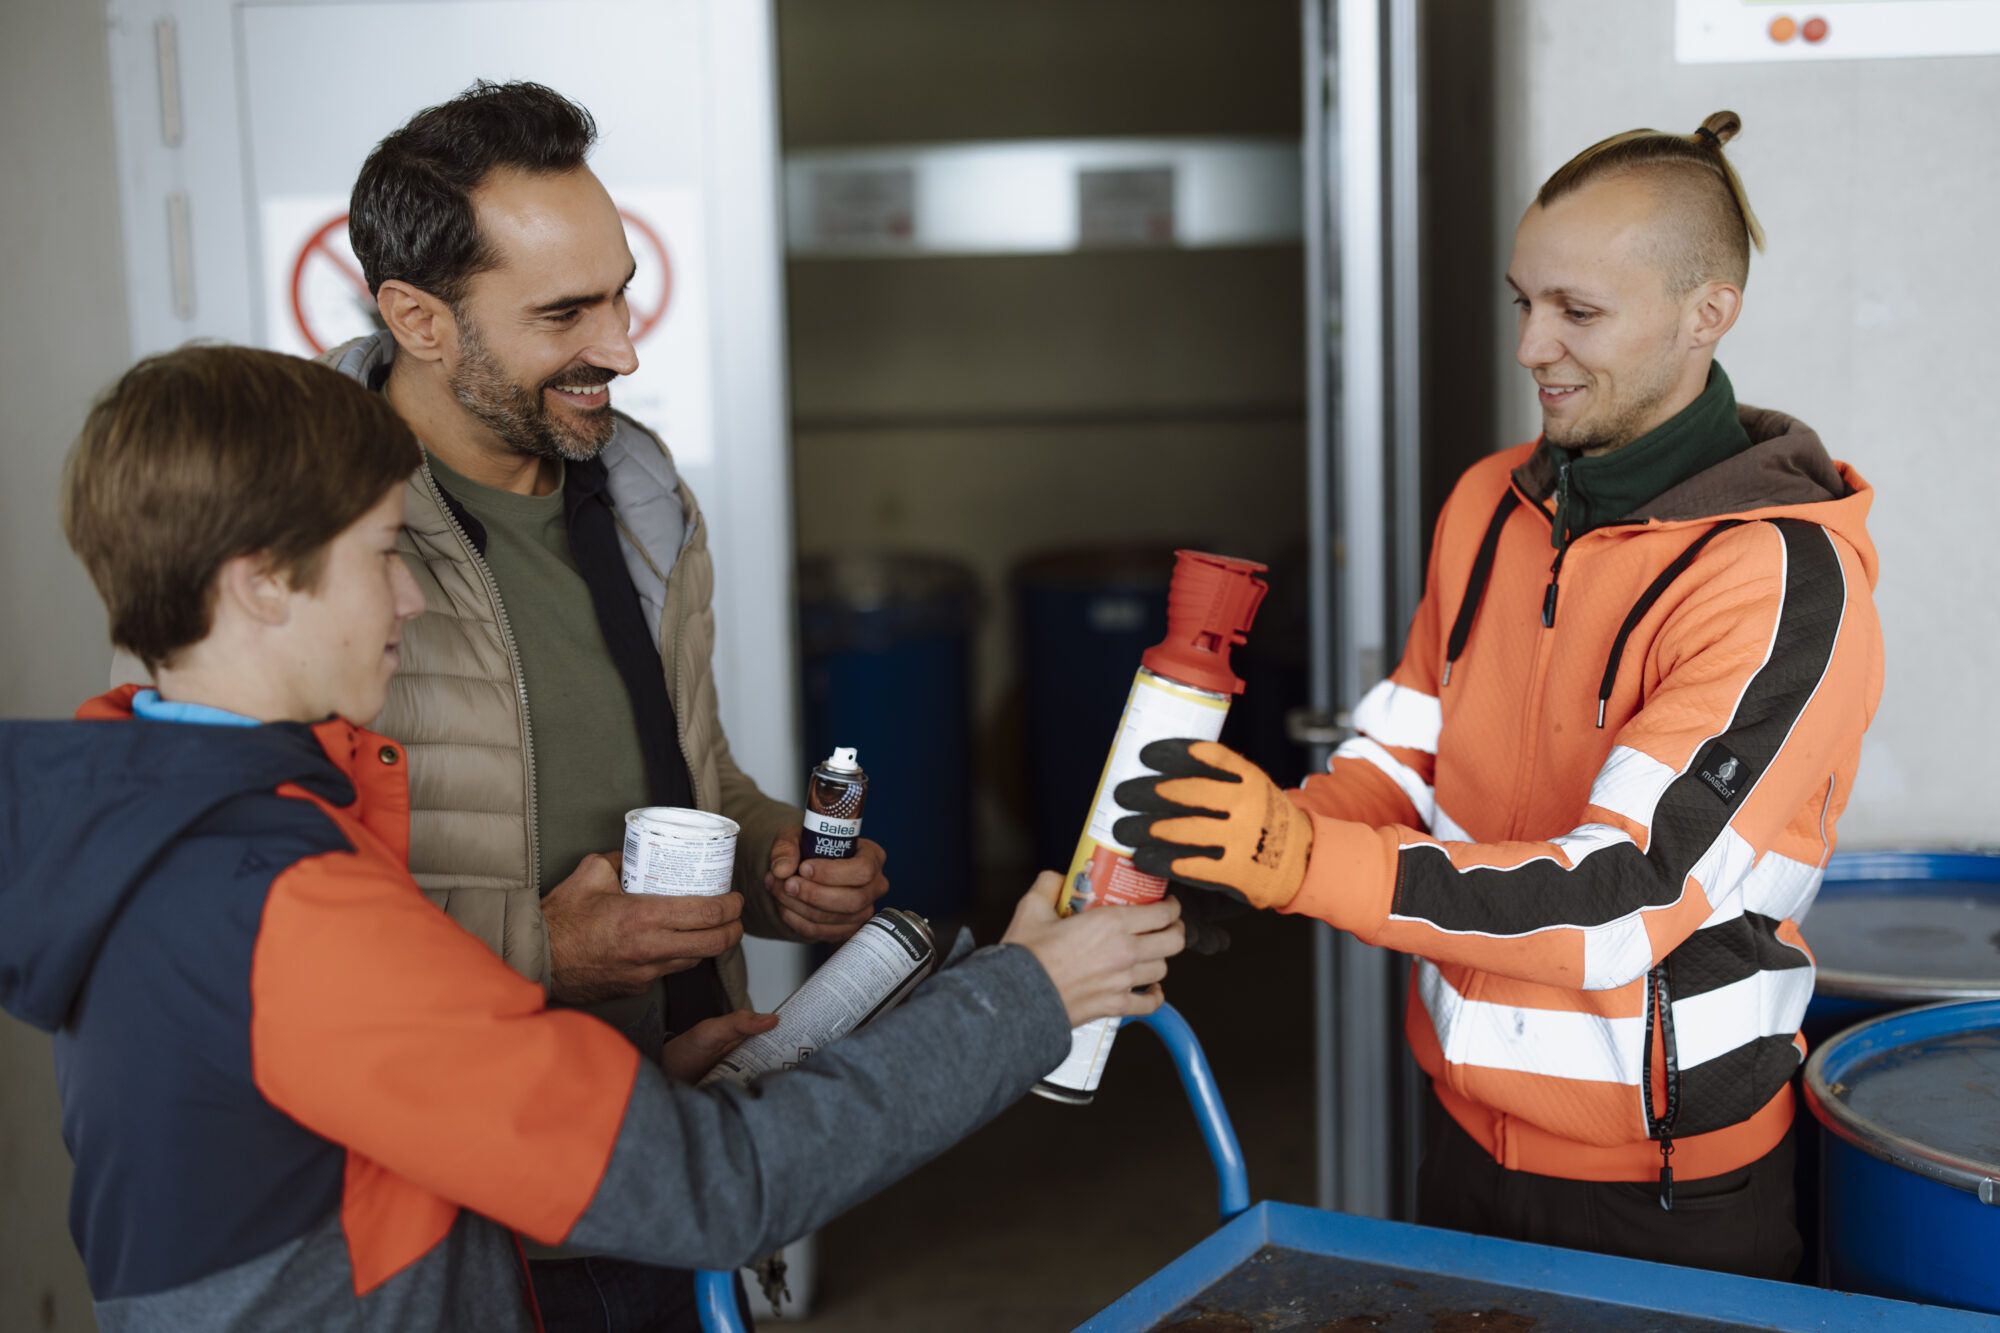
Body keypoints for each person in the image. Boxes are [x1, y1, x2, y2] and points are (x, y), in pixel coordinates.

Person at [3, 345, 1185, 1332]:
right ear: (261, 583)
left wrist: (609, 1097)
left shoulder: (159, 820)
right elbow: (725, 1189)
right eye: (380, 556)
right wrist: (1028, 993)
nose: (409, 600)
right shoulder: (273, 895)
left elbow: (325, 1162)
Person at [107, 81, 879, 1323]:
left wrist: (775, 857)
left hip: (684, 1133)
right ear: (417, 316)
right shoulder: (298, 541)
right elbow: (238, 910)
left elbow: (686, 765)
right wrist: (545, 951)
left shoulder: (634, 486)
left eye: (621, 289)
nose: (623, 346)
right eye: (566, 311)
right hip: (464, 1203)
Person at [1115, 111, 1883, 1280]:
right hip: (1459, 1139)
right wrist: (1255, 829)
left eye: (1577, 312)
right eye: (1521, 302)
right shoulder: (1489, 505)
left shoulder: (1774, 583)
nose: (1531, 347)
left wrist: (1300, 862)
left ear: (1705, 313)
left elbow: (1624, 896)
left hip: (1668, 1189)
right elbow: (1397, 765)